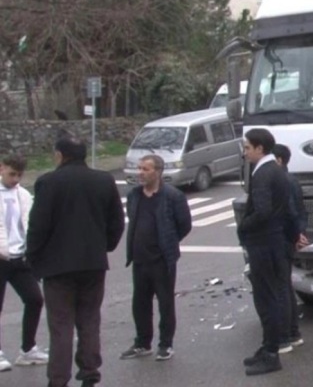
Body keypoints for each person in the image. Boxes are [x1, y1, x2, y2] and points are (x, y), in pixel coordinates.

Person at [26, 136, 125, 387]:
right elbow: (116, 221)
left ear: (60, 155)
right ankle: (90, 371)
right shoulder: (103, 180)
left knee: (61, 325)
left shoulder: (48, 182)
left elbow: (38, 226)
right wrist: (104, 246)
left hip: (57, 266)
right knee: (89, 319)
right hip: (93, 263)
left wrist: (33, 258)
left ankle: (58, 379)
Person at [119, 155, 192, 362]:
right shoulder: (134, 195)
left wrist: (168, 241)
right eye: (139, 168)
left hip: (162, 260)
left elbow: (184, 224)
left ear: (158, 171)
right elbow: (132, 218)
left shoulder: (172, 196)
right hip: (139, 259)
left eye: (145, 169)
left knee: (165, 303)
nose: (140, 173)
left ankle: (165, 344)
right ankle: (142, 343)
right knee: (140, 303)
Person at [238, 128, 291, 376]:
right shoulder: (277, 170)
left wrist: (243, 226)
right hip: (274, 241)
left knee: (266, 298)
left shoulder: (263, 173)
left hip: (263, 243)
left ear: (260, 148)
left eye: (247, 147)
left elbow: (262, 211)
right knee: (271, 295)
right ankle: (268, 346)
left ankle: (271, 352)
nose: (245, 152)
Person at [0, 154, 49, 372]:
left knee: (34, 299)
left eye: (19, 175)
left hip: (19, 257)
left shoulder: (23, 195)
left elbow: (30, 223)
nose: (15, 179)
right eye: (12, 174)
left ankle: (28, 349)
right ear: (1, 168)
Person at [272, 144, 308, 354]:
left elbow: (292, 211)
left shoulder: (281, 181)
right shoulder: (291, 179)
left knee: (281, 288)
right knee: (285, 285)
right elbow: (299, 211)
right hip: (289, 238)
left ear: (278, 160)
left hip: (282, 239)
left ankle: (285, 335)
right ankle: (293, 332)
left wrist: (295, 234)